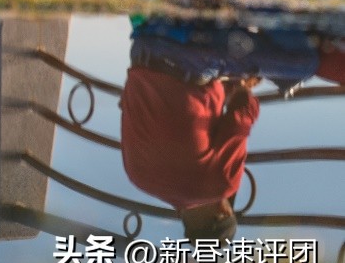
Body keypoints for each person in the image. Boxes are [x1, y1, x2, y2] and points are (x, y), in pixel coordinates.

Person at [120, 16, 323, 242]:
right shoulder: (138, 178)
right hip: (145, 45)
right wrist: (231, 83)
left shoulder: (220, 186)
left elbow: (241, 115)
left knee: (300, 65)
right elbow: (169, 109)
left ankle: (267, 7)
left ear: (223, 212)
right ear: (181, 215)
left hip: (187, 54)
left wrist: (244, 87)